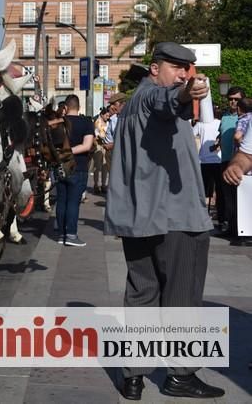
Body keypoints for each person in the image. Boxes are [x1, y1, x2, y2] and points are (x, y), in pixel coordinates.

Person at [104, 42, 224, 400]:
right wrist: (187, 91)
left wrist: (185, 91)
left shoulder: (130, 106)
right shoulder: (155, 96)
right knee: (182, 296)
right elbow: (171, 100)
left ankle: (133, 378)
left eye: (188, 69)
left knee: (141, 295)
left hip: (139, 219)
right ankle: (180, 375)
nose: (185, 75)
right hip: (175, 218)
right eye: (176, 68)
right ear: (155, 68)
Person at [54, 94, 94, 247]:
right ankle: (71, 235)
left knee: (61, 201)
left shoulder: (58, 123)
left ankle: (61, 234)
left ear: (65, 107)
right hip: (78, 167)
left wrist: (62, 153)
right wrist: (70, 151)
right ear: (79, 107)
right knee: (73, 202)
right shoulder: (86, 122)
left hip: (59, 166)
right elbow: (87, 146)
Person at [218, 86, 246, 244]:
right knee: (228, 197)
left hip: (241, 162)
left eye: (236, 99)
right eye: (231, 99)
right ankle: (232, 227)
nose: (233, 102)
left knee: (240, 198)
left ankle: (242, 231)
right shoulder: (225, 116)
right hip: (225, 160)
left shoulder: (246, 117)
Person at [192, 106, 222, 215]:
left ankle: (205, 212)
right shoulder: (217, 123)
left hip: (208, 161)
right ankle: (217, 213)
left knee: (204, 189)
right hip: (213, 161)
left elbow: (191, 136)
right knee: (216, 188)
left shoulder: (201, 124)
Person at [92, 107, 111, 194]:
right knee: (97, 166)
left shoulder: (108, 122)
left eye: (108, 115)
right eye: (106, 115)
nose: (108, 117)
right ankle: (96, 185)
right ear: (102, 114)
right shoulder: (97, 122)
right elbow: (97, 134)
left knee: (105, 166)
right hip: (99, 146)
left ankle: (104, 185)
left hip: (106, 146)